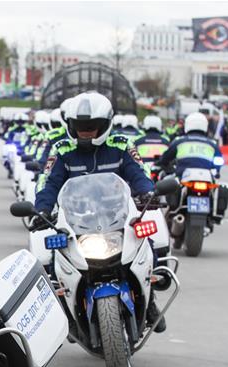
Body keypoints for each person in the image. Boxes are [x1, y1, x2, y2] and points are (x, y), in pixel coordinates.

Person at [35, 92, 165, 333]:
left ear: (105, 124)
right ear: (70, 125)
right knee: (55, 260)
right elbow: (48, 182)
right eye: (80, 126)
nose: (85, 131)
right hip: (78, 220)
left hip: (116, 216)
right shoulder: (61, 149)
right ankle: (66, 309)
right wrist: (41, 208)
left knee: (146, 243)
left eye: (91, 126)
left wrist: (148, 192)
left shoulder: (121, 145)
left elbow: (140, 172)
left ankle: (150, 300)